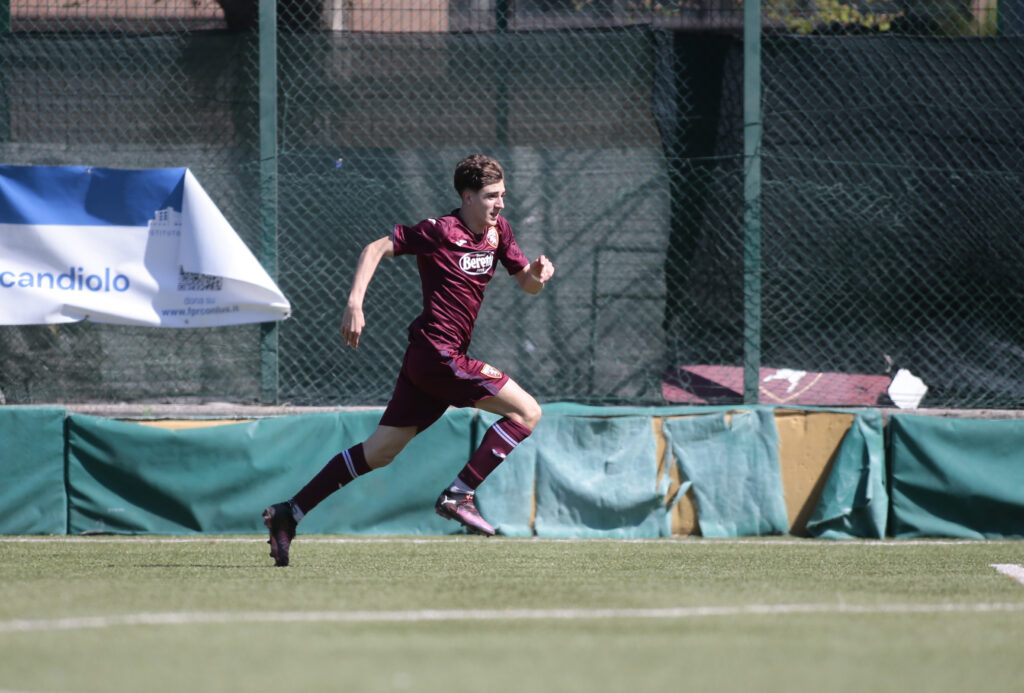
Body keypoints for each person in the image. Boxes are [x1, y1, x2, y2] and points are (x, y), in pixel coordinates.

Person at [262, 154, 555, 566]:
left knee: (380, 452)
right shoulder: (440, 231)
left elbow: (526, 283)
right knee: (528, 413)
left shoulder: (497, 232)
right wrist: (354, 302)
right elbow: (376, 247)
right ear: (467, 196)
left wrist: (538, 277)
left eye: (503, 195)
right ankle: (459, 493)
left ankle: (289, 513)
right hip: (439, 356)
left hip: (431, 360)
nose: (500, 204)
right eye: (491, 196)